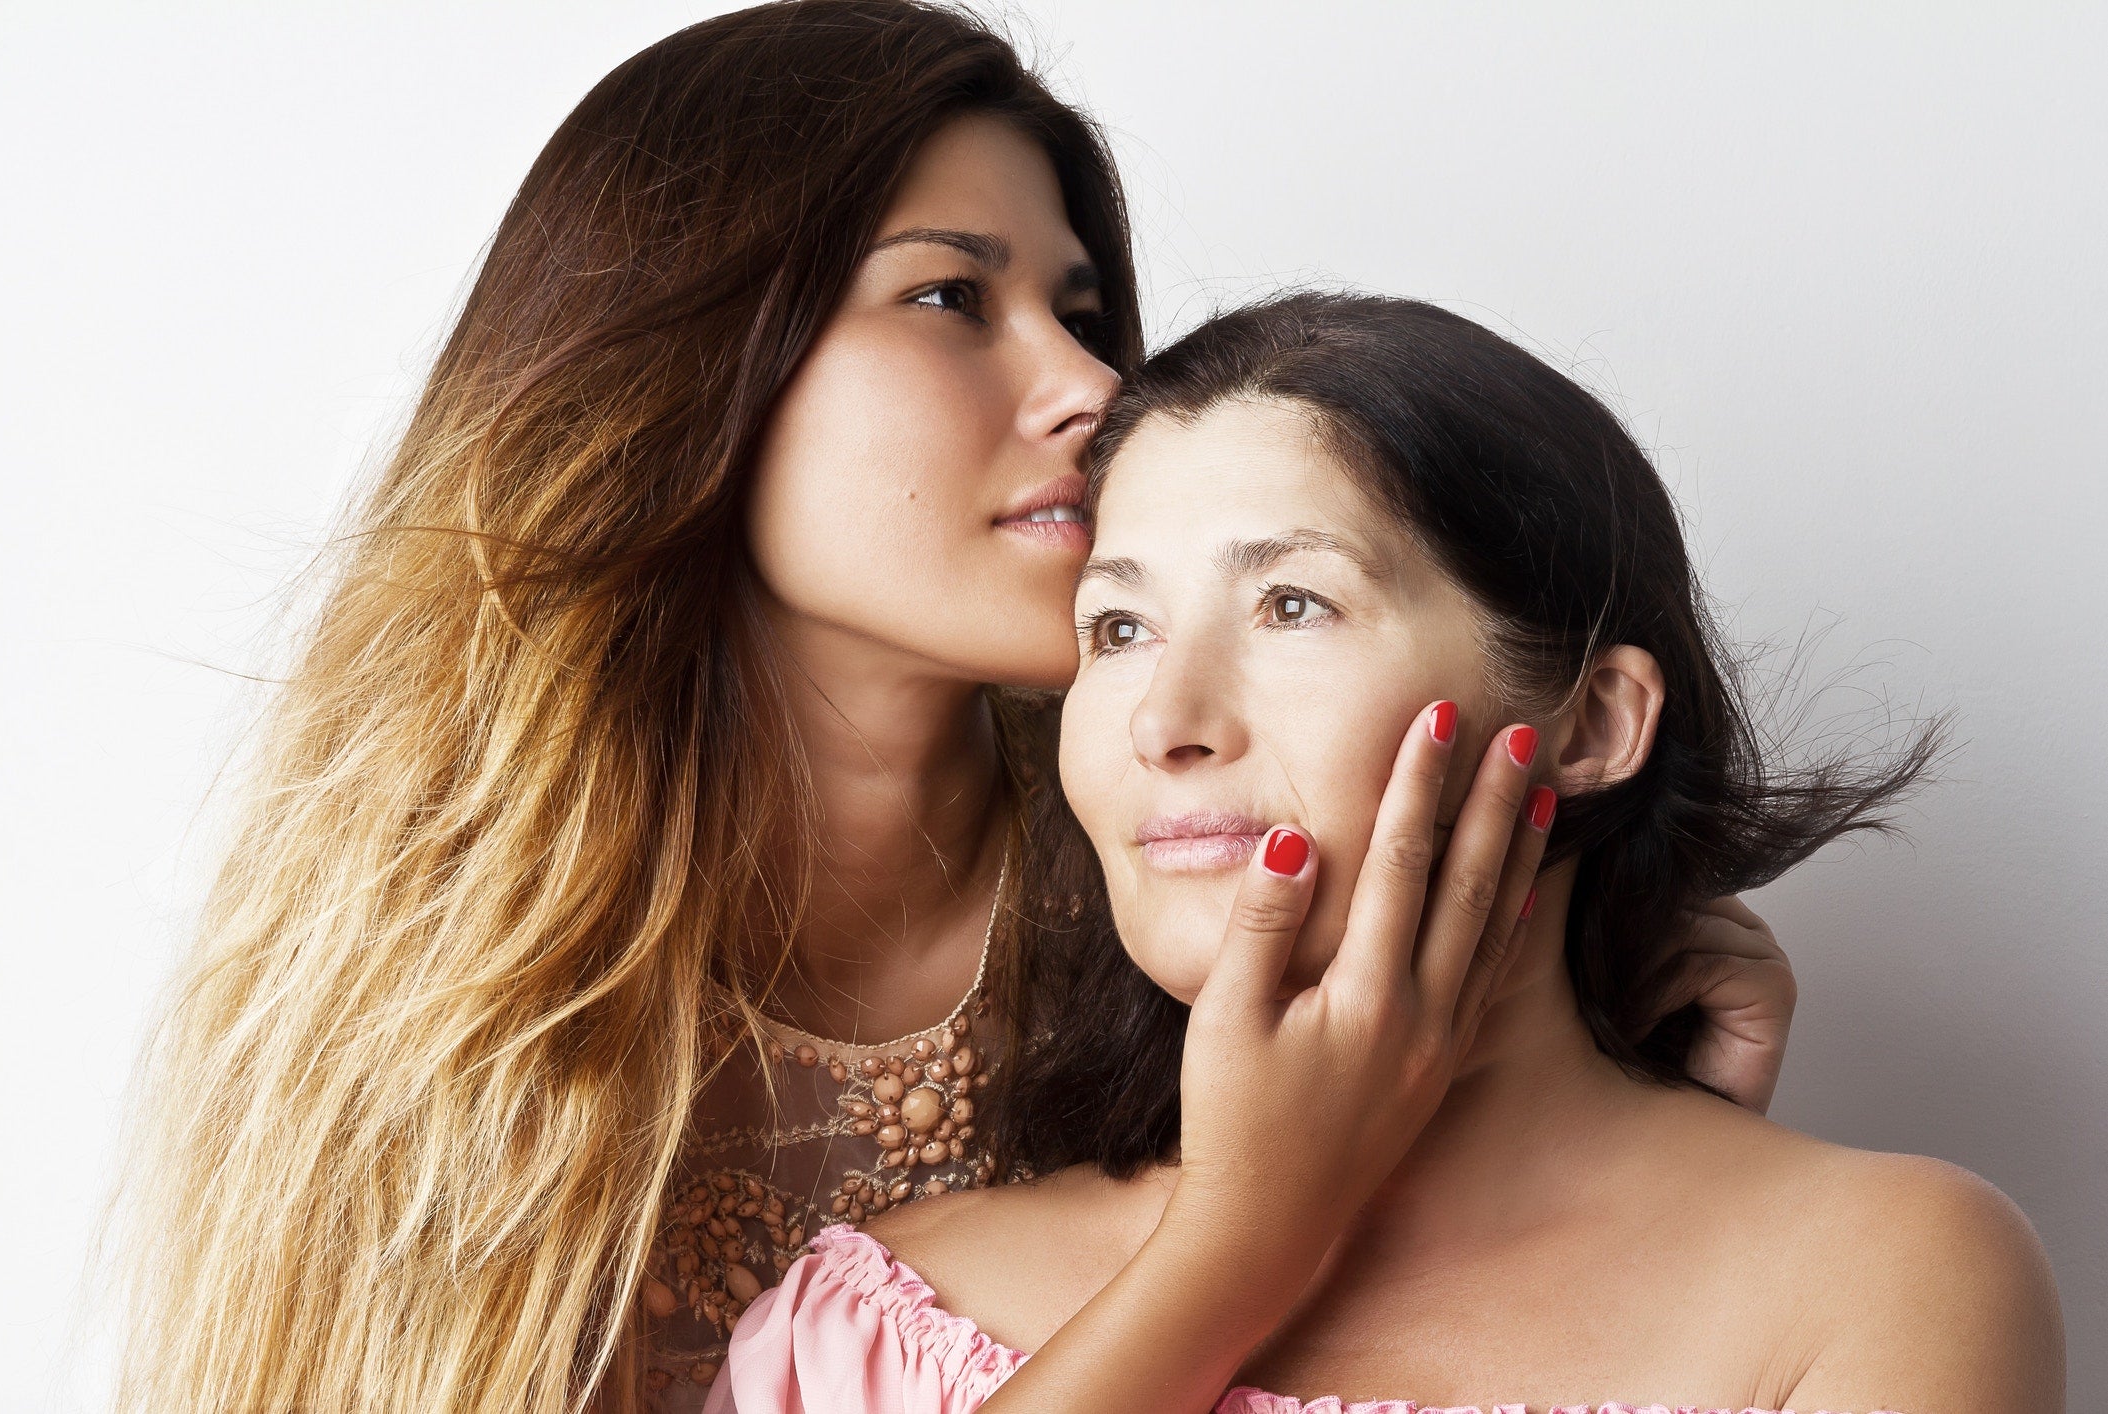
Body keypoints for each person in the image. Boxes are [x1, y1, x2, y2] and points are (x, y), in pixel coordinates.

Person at [110, 8, 1800, 1413]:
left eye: (1080, 310)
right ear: (690, 364)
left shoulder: (1195, 882)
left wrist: (1619, 1112)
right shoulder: (415, 977)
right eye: (948, 298)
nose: (1092, 389)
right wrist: (1246, 1226)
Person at [712, 294, 2066, 1413]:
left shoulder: (1884, 1278)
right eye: (1115, 629)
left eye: (1291, 602)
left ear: (1590, 723)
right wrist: (1232, 1246)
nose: (1164, 723)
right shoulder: (868, 1324)